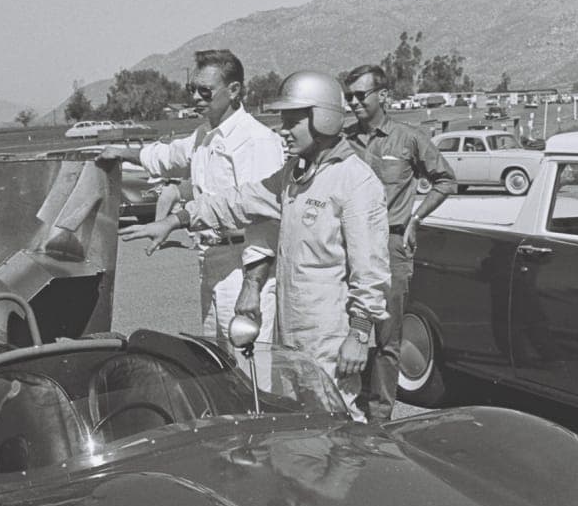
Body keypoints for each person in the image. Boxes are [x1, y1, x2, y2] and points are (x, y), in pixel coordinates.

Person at [120, 70, 390, 420]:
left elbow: (371, 270)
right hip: (291, 327)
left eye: (293, 122)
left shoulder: (355, 181)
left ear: (322, 119)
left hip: (330, 333)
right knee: (298, 420)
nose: (283, 130)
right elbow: (238, 201)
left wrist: (359, 332)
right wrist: (175, 219)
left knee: (335, 419)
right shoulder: (294, 176)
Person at [100, 49, 284, 344]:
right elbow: (167, 156)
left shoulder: (256, 141)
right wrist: (122, 153)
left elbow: (264, 220)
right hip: (210, 259)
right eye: (192, 90)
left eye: (205, 91)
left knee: (249, 368)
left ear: (234, 90)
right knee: (217, 363)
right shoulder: (204, 136)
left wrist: (252, 285)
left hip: (243, 266)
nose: (196, 98)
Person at [342, 64, 455, 422]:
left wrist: (416, 220)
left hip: (390, 245)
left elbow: (445, 180)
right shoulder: (343, 141)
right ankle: (346, 410)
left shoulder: (408, 137)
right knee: (344, 330)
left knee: (386, 339)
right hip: (346, 247)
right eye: (349, 97)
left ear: (383, 95)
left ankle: (380, 418)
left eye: (361, 95)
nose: (355, 102)